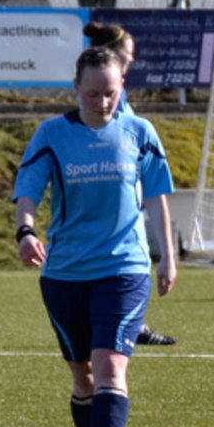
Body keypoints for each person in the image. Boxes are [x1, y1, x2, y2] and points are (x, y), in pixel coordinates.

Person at [13, 46, 177, 427]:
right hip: (65, 273)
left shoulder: (140, 132)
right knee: (82, 375)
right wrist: (25, 232)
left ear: (122, 87)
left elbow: (157, 196)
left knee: (109, 365)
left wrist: (167, 256)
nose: (102, 102)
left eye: (110, 93)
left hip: (124, 268)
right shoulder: (52, 134)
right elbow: (28, 190)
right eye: (92, 94)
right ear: (75, 88)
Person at [84, 20, 178, 347]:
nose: (132, 60)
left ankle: (132, 323)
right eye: (127, 55)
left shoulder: (118, 100)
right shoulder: (110, 101)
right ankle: (122, 323)